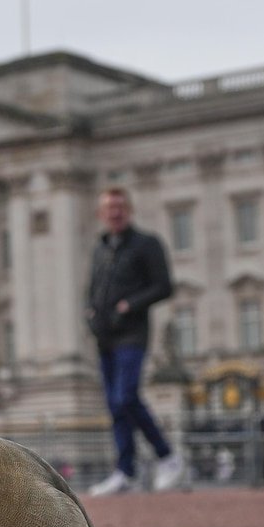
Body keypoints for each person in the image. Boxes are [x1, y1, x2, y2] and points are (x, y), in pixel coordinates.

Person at [84, 187, 185, 496]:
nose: (115, 213)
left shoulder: (146, 244)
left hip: (132, 333)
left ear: (128, 210)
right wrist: (89, 313)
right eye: (109, 208)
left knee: (126, 397)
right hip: (105, 336)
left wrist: (130, 305)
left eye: (120, 207)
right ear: (101, 214)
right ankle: (124, 471)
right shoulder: (100, 249)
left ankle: (167, 456)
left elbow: (164, 286)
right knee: (115, 405)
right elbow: (93, 288)